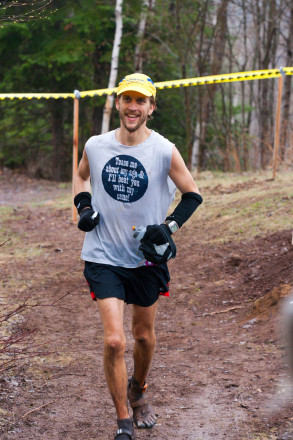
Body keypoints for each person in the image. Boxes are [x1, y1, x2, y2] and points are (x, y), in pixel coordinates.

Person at [73, 73, 202, 440]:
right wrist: (84, 207)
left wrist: (169, 227)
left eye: (140, 101)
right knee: (115, 341)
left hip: (147, 259)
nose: (133, 106)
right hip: (103, 254)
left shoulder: (163, 149)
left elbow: (192, 194)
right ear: (117, 103)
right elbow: (81, 177)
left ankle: (138, 388)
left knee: (143, 336)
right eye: (127, 99)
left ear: (151, 107)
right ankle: (123, 419)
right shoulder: (96, 146)